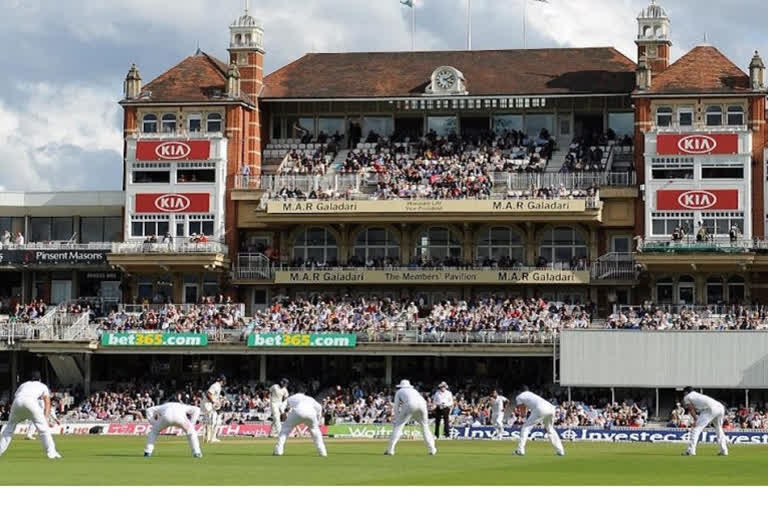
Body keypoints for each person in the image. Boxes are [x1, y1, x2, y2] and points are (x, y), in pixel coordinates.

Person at [0, 371, 62, 459]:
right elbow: (47, 403)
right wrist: (46, 418)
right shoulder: (42, 386)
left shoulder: (24, 384)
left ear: (30, 379)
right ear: (40, 379)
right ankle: (51, 453)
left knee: (9, 429)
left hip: (17, 402)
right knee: (43, 430)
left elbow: (17, 396)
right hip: (30, 402)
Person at [385, 379, 437, 456]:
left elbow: (396, 406)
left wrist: (397, 418)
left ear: (400, 386)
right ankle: (432, 449)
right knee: (425, 426)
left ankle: (390, 450)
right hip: (422, 405)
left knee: (399, 426)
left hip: (410, 404)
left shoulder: (399, 392)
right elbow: (422, 401)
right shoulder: (414, 391)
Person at [514, 386, 564, 456]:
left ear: (519, 391)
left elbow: (523, 413)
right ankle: (560, 450)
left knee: (525, 428)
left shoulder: (519, 397)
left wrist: (521, 416)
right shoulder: (530, 394)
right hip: (551, 408)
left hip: (540, 408)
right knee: (550, 429)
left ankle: (520, 450)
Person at [273, 392, 327, 457]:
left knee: (284, 430)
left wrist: (283, 413)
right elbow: (319, 408)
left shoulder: (292, 397)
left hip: (297, 412)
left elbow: (281, 407)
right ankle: (323, 452)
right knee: (316, 433)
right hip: (311, 414)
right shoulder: (310, 398)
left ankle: (278, 451)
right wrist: (318, 420)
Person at [682, 386, 728, 456]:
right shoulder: (696, 394)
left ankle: (691, 450)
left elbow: (691, 409)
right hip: (720, 407)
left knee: (695, 429)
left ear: (686, 392)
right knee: (719, 429)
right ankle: (724, 450)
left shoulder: (687, 397)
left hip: (710, 409)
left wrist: (695, 420)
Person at [201, 375, 226, 443]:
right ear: (222, 381)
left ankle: (211, 438)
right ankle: (208, 438)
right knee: (211, 421)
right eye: (223, 381)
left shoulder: (218, 386)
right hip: (208, 404)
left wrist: (221, 399)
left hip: (211, 405)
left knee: (215, 421)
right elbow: (208, 394)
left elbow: (214, 396)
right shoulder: (215, 385)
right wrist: (213, 402)